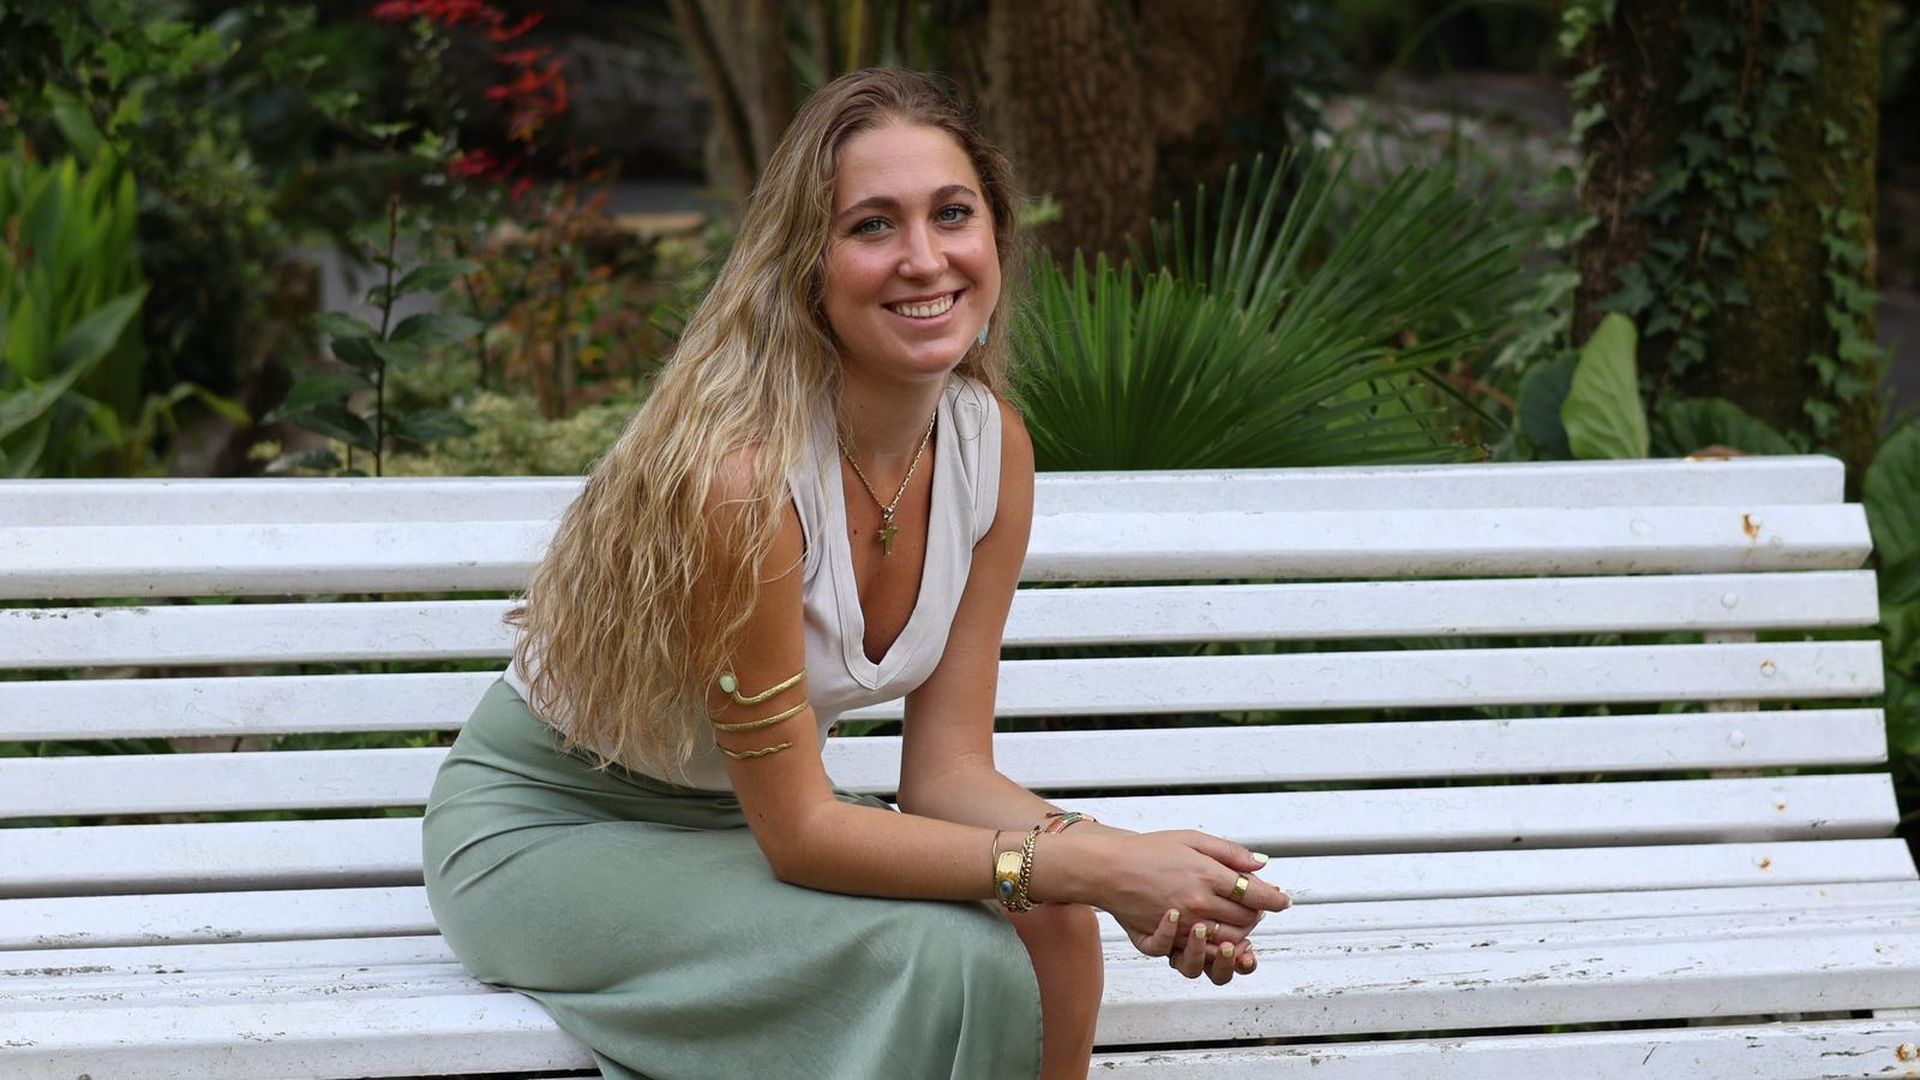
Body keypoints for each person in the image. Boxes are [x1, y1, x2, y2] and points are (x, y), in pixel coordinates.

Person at [421, 67, 1290, 1080]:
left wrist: (1136, 870)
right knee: (952, 957)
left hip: (741, 821)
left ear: (996, 235)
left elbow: (946, 773)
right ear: (806, 263)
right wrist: (1094, 863)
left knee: (1052, 923)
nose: (925, 258)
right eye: (873, 225)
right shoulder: (744, 482)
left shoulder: (990, 447)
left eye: (952, 214)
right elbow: (800, 835)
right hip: (556, 830)